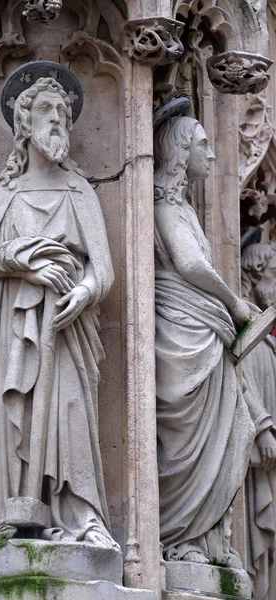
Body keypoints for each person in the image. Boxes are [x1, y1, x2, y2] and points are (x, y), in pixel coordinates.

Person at [0, 72, 116, 549]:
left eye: (64, 114)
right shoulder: (4, 194)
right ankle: (12, 510)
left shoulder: (80, 192)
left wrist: (85, 292)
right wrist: (27, 264)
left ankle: (81, 518)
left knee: (68, 412)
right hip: (12, 322)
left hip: (66, 327)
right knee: (18, 415)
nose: (58, 120)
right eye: (48, 111)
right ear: (23, 123)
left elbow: (104, 269)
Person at [154, 114, 256, 566]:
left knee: (232, 427)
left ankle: (212, 538)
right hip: (181, 331)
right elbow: (191, 265)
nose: (211, 154)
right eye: (201, 145)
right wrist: (234, 303)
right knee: (184, 437)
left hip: (204, 329)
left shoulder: (185, 207)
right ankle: (179, 535)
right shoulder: (163, 204)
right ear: (179, 151)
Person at [242, 242, 276, 600]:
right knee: (256, 543)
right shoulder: (246, 324)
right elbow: (239, 380)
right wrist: (264, 427)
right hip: (255, 453)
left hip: (270, 456)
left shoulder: (267, 336)